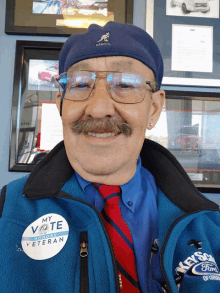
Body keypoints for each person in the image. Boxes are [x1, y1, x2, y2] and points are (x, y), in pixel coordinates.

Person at [0, 22, 220, 293]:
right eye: (80, 85)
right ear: (61, 104)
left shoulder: (208, 224)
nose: (99, 108)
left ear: (154, 108)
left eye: (126, 84)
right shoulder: (5, 213)